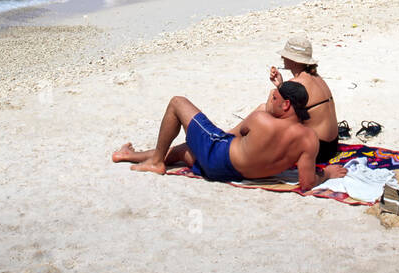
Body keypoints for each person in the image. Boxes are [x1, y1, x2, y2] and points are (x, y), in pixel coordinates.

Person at [112, 85, 348, 192]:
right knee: (185, 150)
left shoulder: (260, 119)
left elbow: (229, 135)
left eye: (273, 97)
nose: (269, 100)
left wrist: (263, 110)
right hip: (231, 173)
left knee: (177, 103)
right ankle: (129, 155)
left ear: (285, 104)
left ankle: (156, 162)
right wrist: (326, 173)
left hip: (219, 157)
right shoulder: (309, 139)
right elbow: (307, 183)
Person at [268, 33, 339, 163]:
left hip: (317, 150)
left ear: (293, 60)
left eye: (285, 55)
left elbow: (271, 110)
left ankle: (230, 137)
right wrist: (281, 86)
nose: (282, 57)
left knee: (265, 114)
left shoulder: (296, 84)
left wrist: (276, 90)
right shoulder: (317, 78)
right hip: (332, 145)